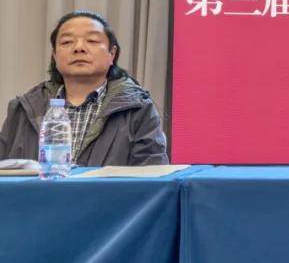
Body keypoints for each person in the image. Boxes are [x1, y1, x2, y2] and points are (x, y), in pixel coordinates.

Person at [0, 10, 168, 166]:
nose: (78, 48)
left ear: (112, 54)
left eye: (92, 41)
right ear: (55, 55)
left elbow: (152, 177)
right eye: (67, 42)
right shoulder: (23, 109)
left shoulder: (138, 109)